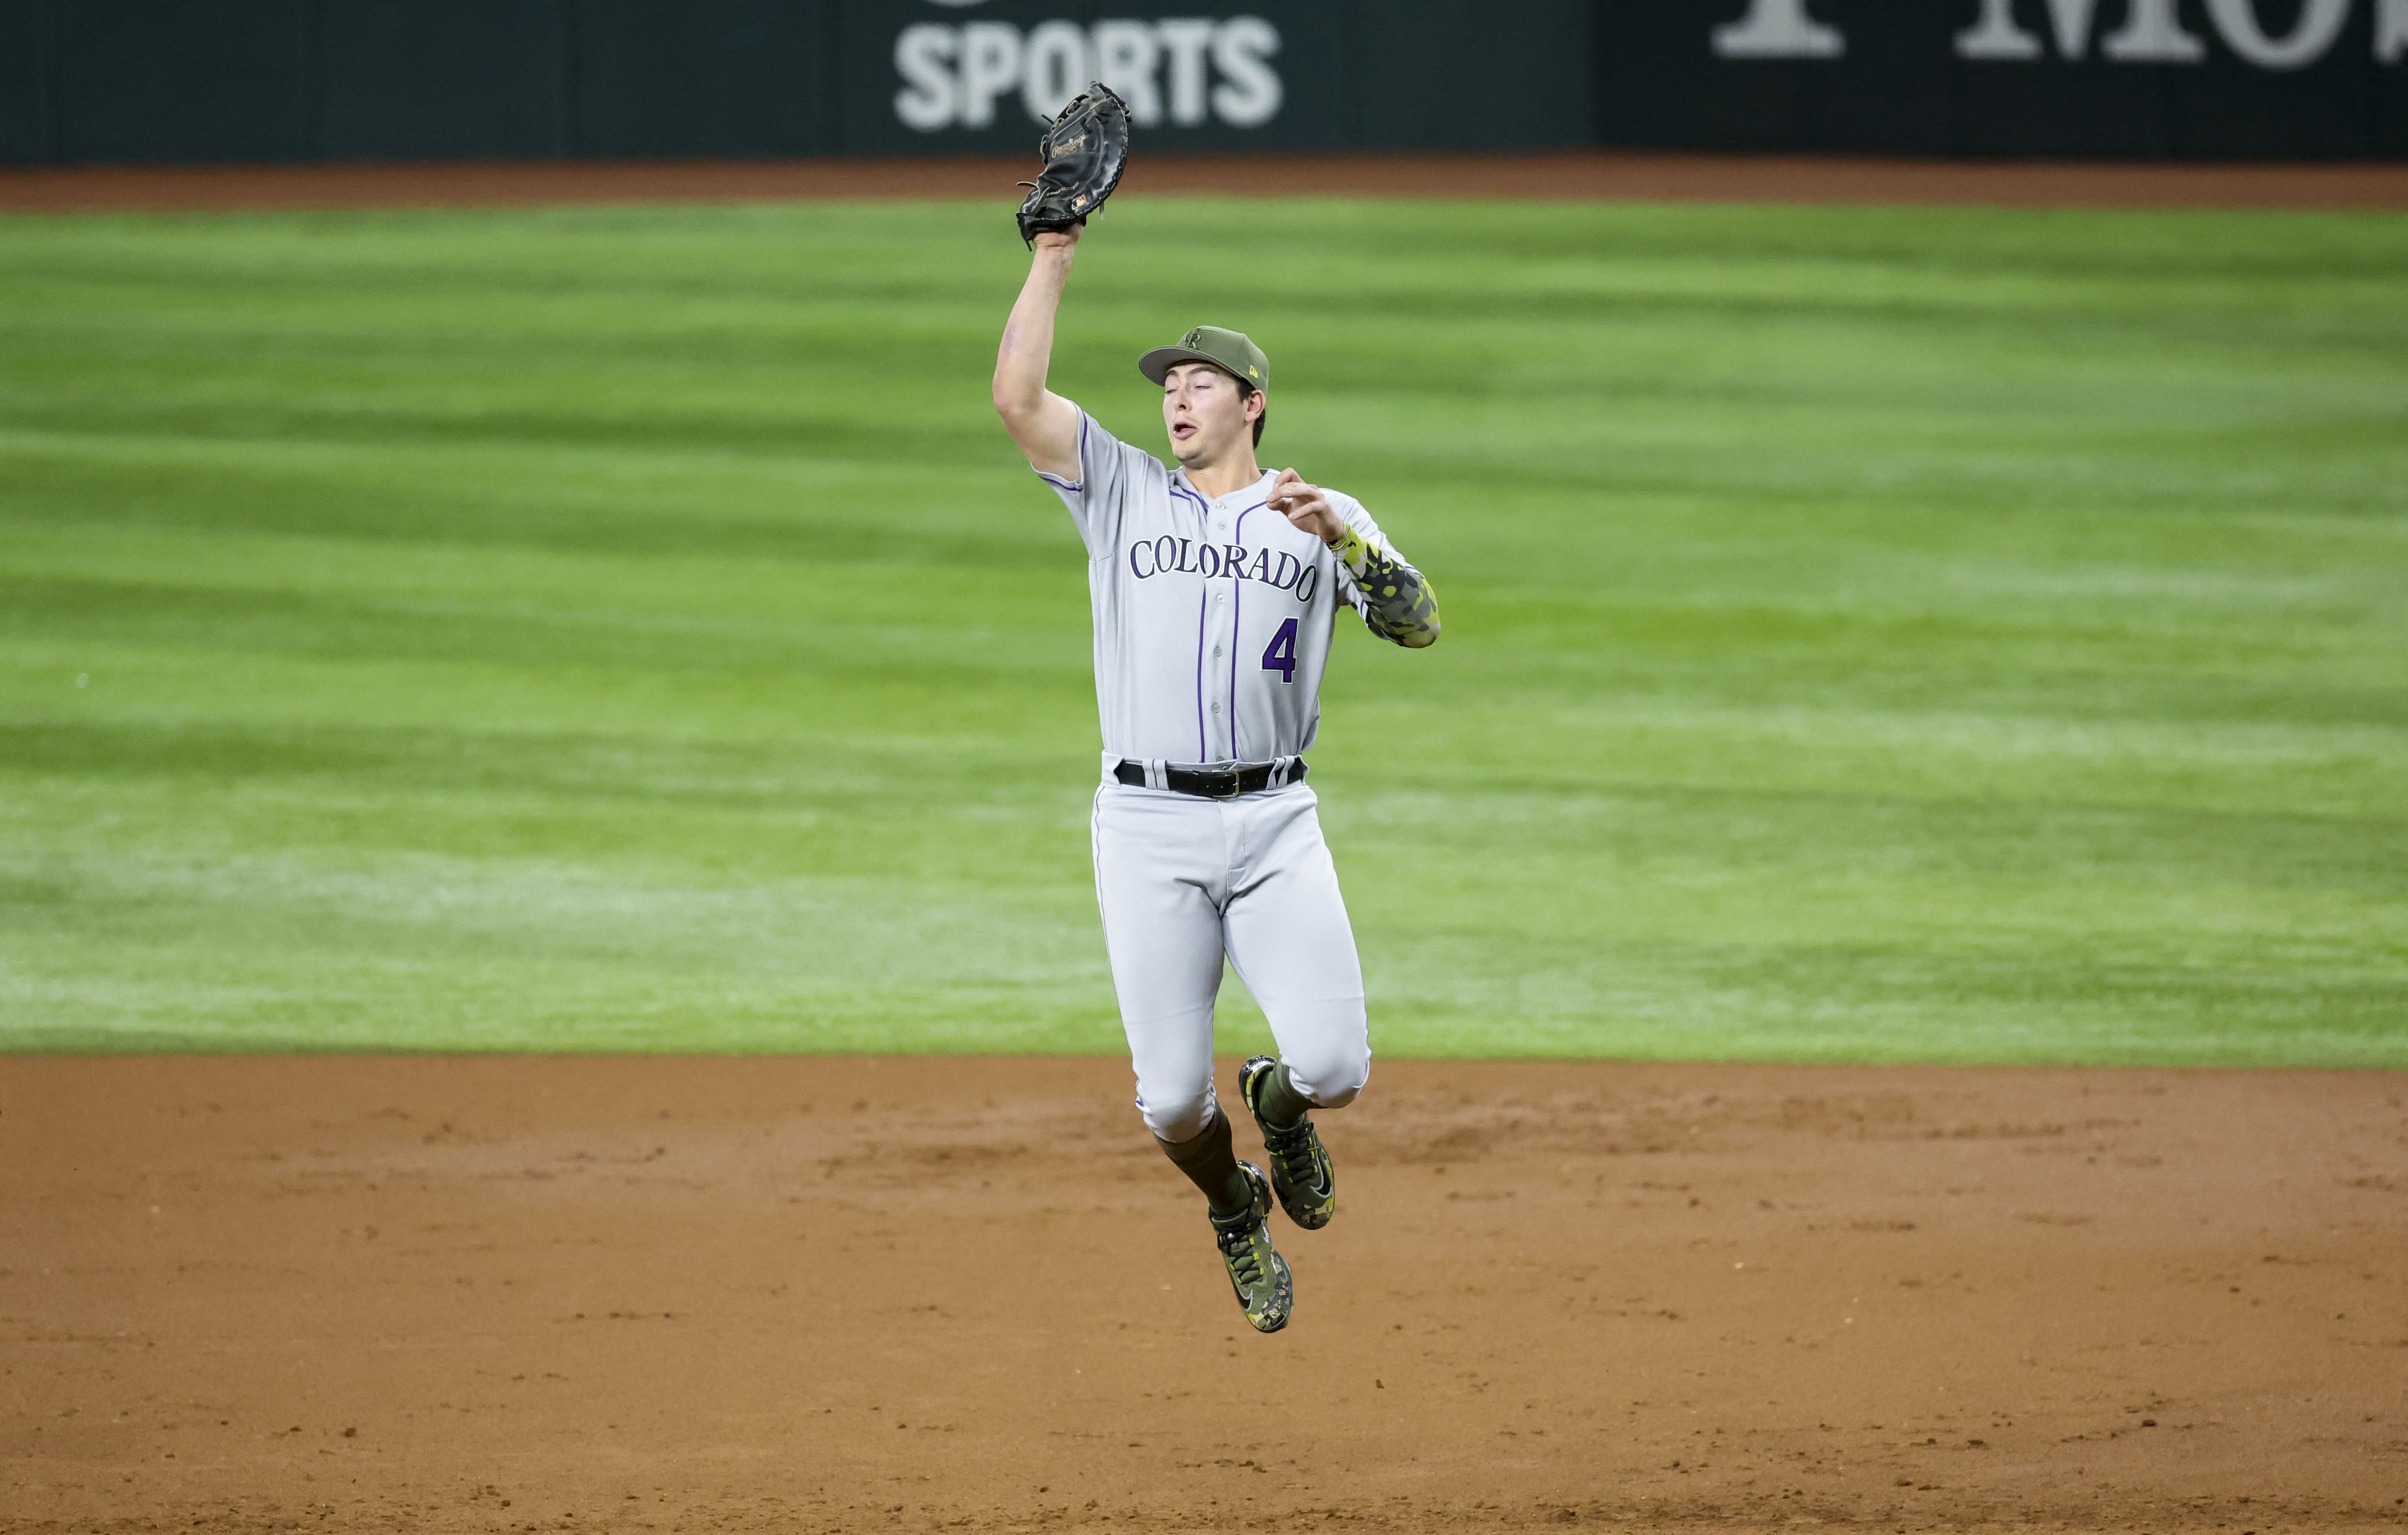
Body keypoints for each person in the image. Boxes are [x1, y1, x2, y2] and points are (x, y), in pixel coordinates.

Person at [991, 218, 1441, 1334]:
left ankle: (1278, 1105)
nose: (1178, 399)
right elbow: (1017, 398)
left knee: (1336, 1067)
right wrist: (1053, 252)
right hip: (1147, 822)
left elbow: (1418, 623)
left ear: (1254, 405)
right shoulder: (1122, 489)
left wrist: (1346, 538)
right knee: (1168, 1099)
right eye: (1170, 385)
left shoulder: (1316, 515)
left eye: (1203, 382)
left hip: (1277, 820)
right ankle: (1235, 1203)